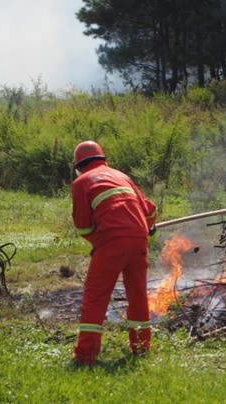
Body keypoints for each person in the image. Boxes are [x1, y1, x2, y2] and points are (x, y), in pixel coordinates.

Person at [71, 140, 157, 365]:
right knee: (138, 295)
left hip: (111, 241)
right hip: (139, 239)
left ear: (78, 166)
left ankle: (85, 354)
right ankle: (141, 347)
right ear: (102, 159)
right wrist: (147, 227)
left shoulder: (81, 182)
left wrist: (101, 241)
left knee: (95, 296)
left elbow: (83, 226)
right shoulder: (122, 176)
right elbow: (149, 211)